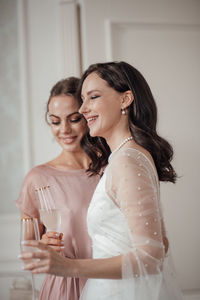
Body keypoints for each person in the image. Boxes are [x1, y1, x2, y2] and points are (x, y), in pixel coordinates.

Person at [20, 62, 182, 300]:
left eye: (92, 98)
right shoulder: (122, 158)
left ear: (125, 99)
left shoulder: (124, 161)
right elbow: (160, 244)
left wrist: (69, 267)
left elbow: (153, 253)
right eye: (55, 121)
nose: (84, 109)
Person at [16, 76, 109, 300]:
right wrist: (42, 246)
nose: (64, 129)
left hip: (112, 282)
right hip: (65, 289)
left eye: (74, 119)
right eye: (55, 121)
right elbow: (28, 251)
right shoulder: (38, 178)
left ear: (88, 115)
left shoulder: (112, 168)